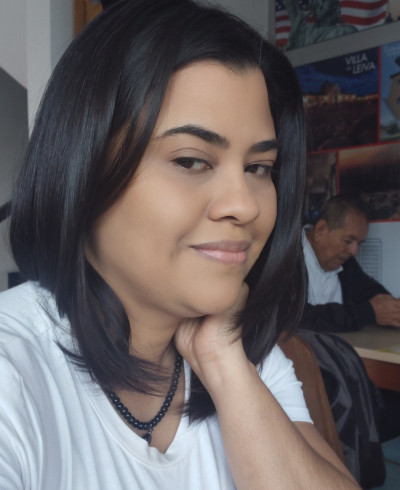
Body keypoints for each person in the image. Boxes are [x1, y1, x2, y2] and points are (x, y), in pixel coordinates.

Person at [0, 1, 359, 488]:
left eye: (258, 168)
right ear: (82, 172)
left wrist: (222, 360)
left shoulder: (245, 352)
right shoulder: (12, 369)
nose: (246, 205)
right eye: (191, 161)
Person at [300, 194, 400, 332]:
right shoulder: (286, 260)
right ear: (320, 230)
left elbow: (370, 292)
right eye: (348, 241)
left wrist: (392, 308)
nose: (354, 251)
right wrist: (366, 313)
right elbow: (298, 319)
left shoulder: (346, 264)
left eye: (359, 244)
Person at [285, 0, 357, 50]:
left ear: (334, 4)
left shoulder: (345, 31)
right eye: (315, 2)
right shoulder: (305, 32)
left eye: (323, 0)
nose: (319, 4)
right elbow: (291, 6)